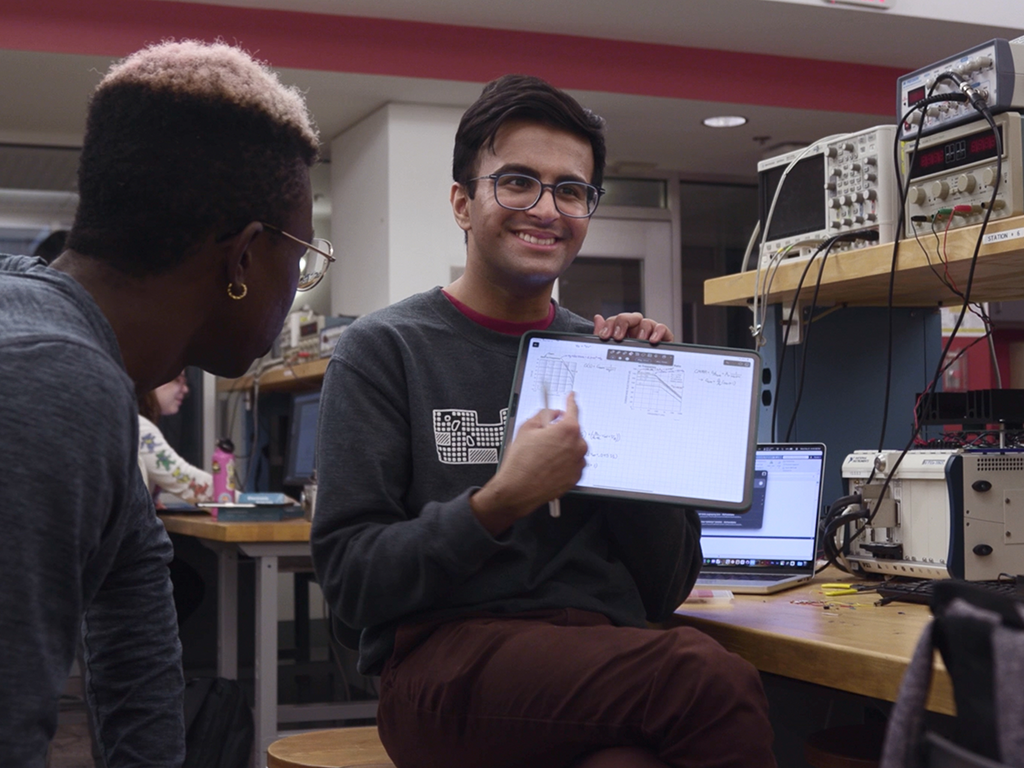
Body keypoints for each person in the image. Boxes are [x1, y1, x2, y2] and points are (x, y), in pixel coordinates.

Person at [311, 75, 775, 768]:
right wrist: (500, 502)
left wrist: (638, 404)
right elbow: (351, 585)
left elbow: (665, 585)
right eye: (518, 183)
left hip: (598, 662)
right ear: (463, 205)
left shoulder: (605, 355)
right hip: (443, 665)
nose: (546, 208)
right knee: (704, 677)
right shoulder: (386, 350)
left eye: (570, 190)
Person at [0, 40, 322, 766]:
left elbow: (135, 650)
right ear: (243, 258)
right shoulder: (50, 382)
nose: (298, 279)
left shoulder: (86, 367)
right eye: (301, 258)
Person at [137, 371, 214, 507]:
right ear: (155, 380)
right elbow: (185, 480)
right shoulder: (140, 428)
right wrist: (248, 502)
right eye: (178, 380)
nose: (185, 389)